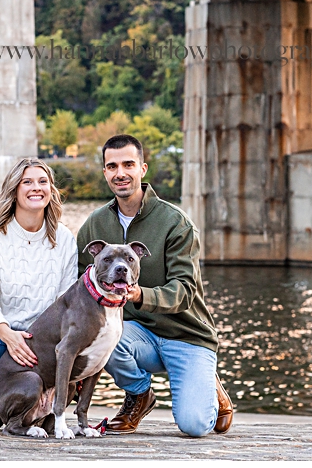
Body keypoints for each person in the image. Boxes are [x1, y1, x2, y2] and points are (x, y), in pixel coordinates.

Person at [77, 134, 233, 437]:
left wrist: (138, 295)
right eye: (112, 166)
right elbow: (77, 283)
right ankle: (139, 395)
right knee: (99, 336)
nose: (120, 173)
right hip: (134, 335)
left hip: (185, 334)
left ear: (142, 168)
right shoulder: (95, 225)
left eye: (128, 164)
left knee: (195, 425)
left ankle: (210, 385)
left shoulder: (175, 222)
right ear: (105, 173)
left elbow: (185, 290)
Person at [0, 157, 78, 426]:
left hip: (38, 336)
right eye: (27, 182)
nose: (36, 188)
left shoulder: (64, 239)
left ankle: (34, 406)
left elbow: (66, 301)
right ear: (14, 190)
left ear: (51, 190)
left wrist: (40, 343)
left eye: (43, 182)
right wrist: (6, 334)